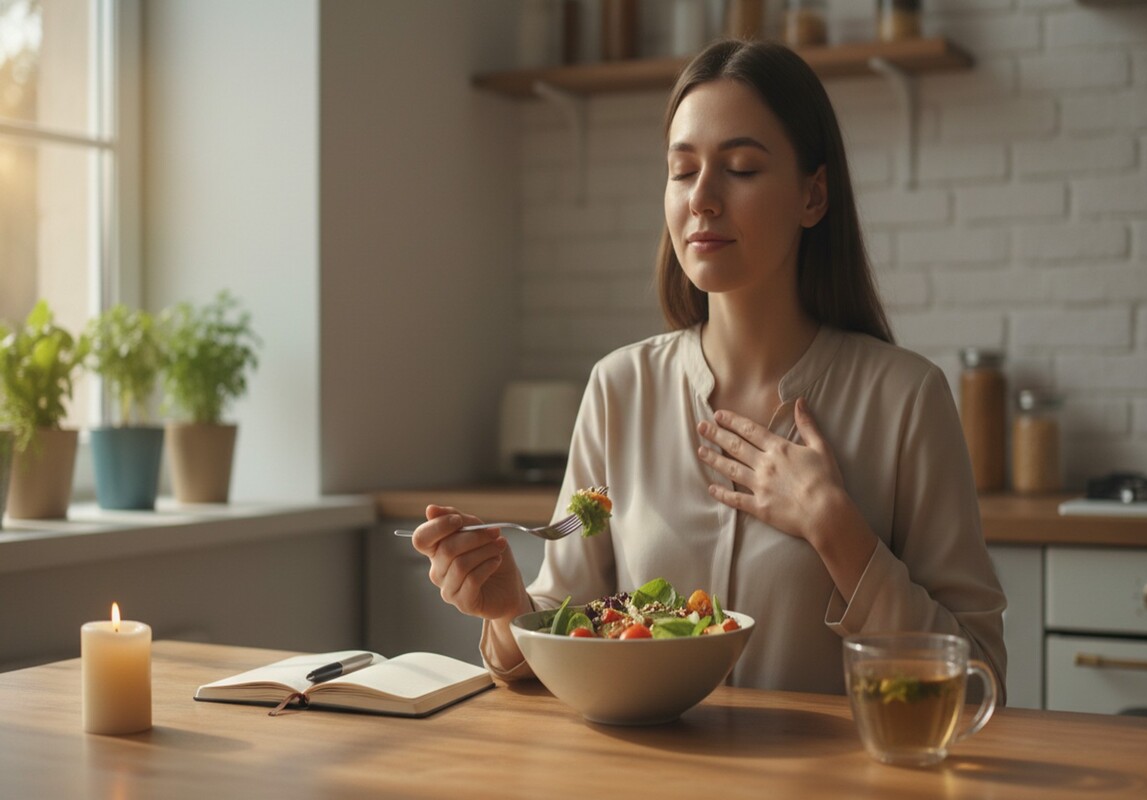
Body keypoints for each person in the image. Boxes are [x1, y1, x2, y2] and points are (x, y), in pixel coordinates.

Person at [412, 39, 1007, 701]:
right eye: (681, 169)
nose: (703, 198)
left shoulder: (906, 401)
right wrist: (506, 607)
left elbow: (979, 682)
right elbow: (563, 623)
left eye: (742, 168)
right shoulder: (619, 390)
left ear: (812, 196)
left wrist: (836, 529)